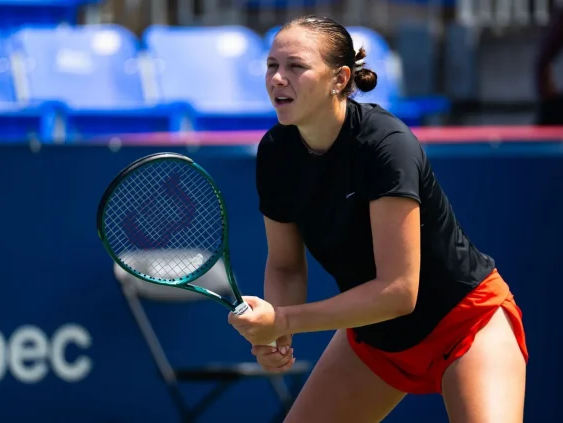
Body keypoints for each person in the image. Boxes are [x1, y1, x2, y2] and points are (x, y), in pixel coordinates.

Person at [226, 15, 529, 423]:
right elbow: (284, 264)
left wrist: (283, 318)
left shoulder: (386, 145)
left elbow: (398, 292)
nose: (278, 78)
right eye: (271, 66)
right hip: (374, 341)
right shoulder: (276, 152)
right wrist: (277, 336)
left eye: (295, 66)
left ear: (339, 79)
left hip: (465, 325)